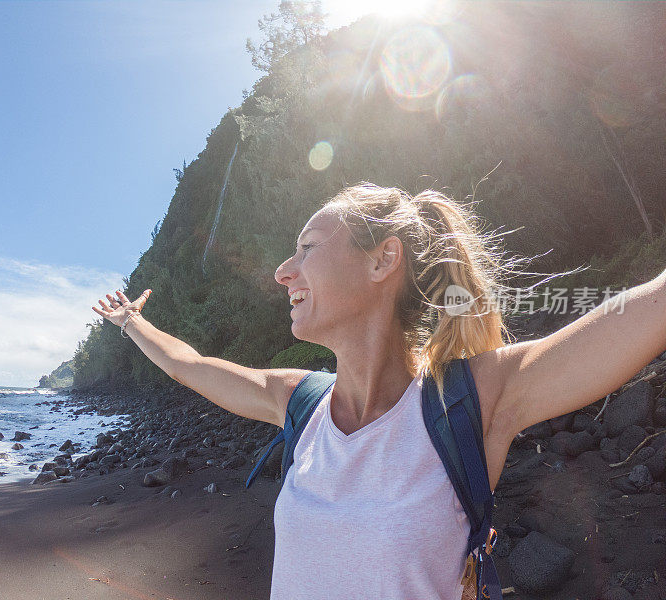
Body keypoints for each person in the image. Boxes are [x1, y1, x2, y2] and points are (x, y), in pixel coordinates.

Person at [92, 182, 666, 600]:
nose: (282, 272)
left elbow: (632, 318)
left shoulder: (468, 398)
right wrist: (129, 323)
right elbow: (190, 364)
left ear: (383, 259)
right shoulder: (300, 402)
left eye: (308, 248)